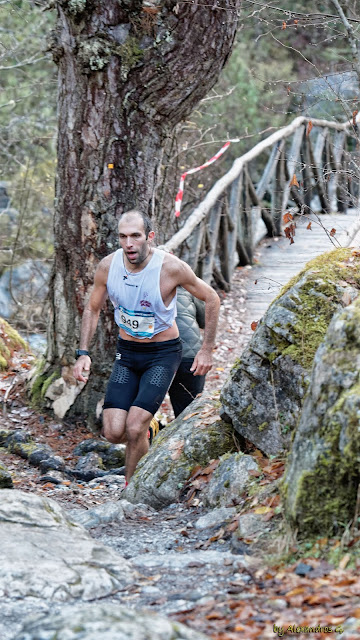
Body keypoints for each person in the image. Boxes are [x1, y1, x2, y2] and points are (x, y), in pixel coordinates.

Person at [73, 210, 220, 484]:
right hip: (127, 355)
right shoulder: (108, 266)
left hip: (163, 355)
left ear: (149, 237)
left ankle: (130, 490)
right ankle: (150, 430)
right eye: (123, 237)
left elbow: (211, 299)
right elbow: (92, 309)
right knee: (114, 432)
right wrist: (83, 353)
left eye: (136, 236)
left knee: (133, 425)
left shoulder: (171, 268)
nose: (129, 243)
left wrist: (206, 349)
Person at [168, 287, 206, 418]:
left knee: (144, 412)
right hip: (189, 357)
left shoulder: (134, 283)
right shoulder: (187, 285)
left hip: (151, 357)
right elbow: (204, 320)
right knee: (187, 413)